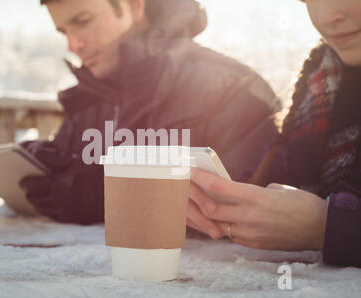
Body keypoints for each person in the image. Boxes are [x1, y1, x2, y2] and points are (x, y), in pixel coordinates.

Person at [19, 0, 281, 225]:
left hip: (200, 279)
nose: (73, 45)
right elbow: (71, 178)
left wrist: (106, 199)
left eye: (84, 21)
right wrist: (43, 160)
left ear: (134, 6)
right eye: (64, 31)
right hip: (91, 275)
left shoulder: (234, 88)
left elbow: (248, 208)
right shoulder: (88, 98)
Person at [188, 0, 361, 268]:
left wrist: (327, 225)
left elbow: (316, 221)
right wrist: (214, 203)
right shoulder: (320, 82)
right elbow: (277, 184)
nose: (327, 16)